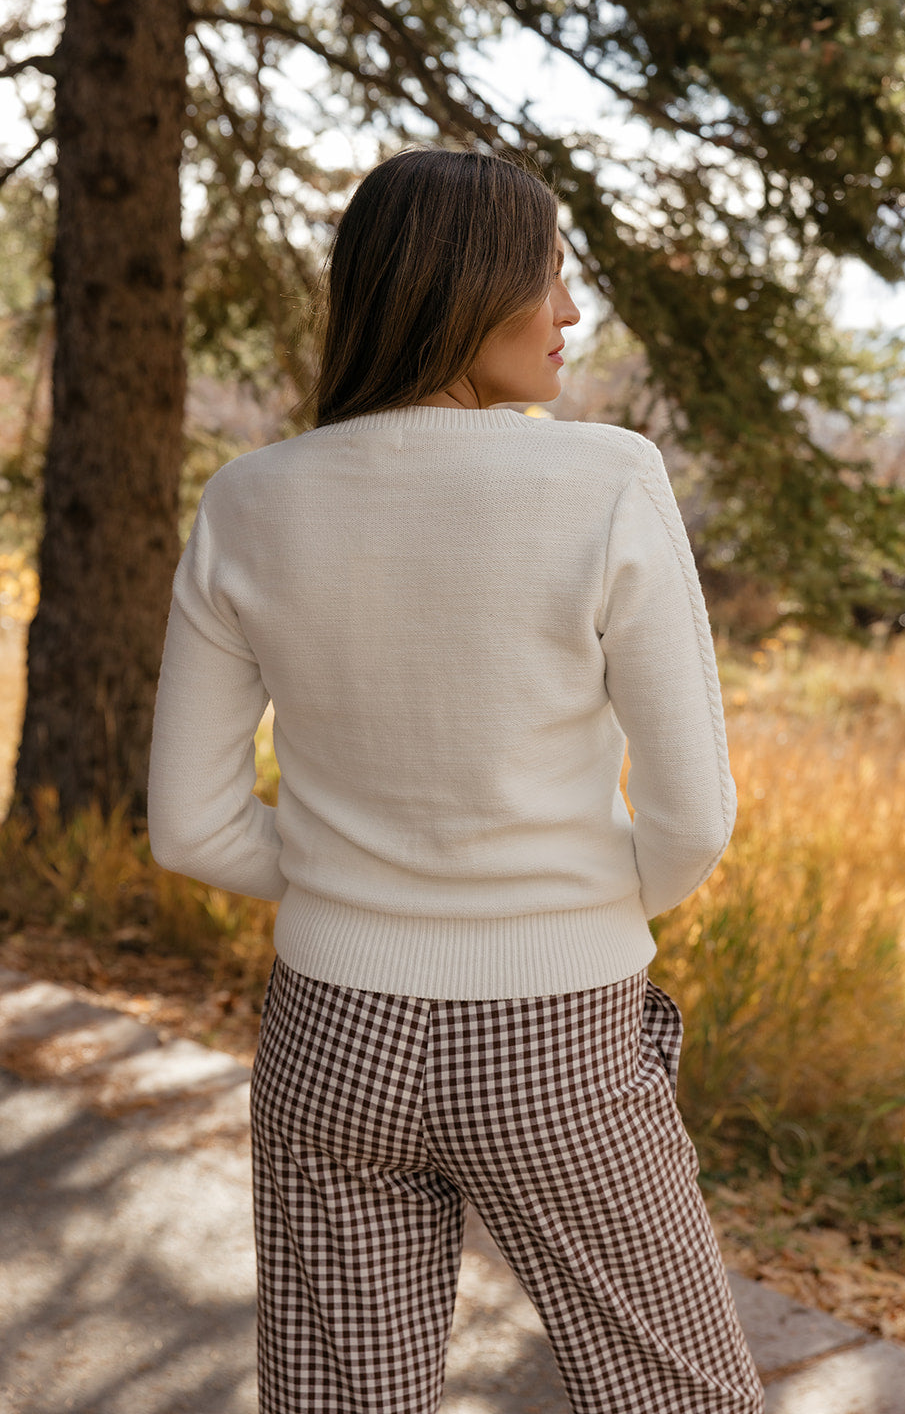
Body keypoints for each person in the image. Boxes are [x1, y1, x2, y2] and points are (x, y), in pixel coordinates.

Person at [147, 147, 765, 1414]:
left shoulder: (249, 499)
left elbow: (192, 826)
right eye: (548, 275)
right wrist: (574, 911)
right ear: (461, 285)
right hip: (559, 1041)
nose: (571, 313)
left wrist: (350, 885)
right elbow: (693, 815)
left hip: (330, 1039)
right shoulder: (603, 478)